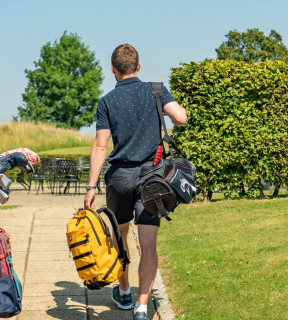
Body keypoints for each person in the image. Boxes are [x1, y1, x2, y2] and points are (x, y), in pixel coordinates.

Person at [83, 44, 187, 320]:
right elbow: (181, 117)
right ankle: (142, 307)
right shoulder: (155, 90)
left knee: (120, 237)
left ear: (114, 70)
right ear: (138, 67)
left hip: (119, 178)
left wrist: (91, 187)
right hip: (151, 178)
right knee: (149, 243)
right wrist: (158, 110)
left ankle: (125, 291)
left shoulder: (106, 101)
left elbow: (101, 146)